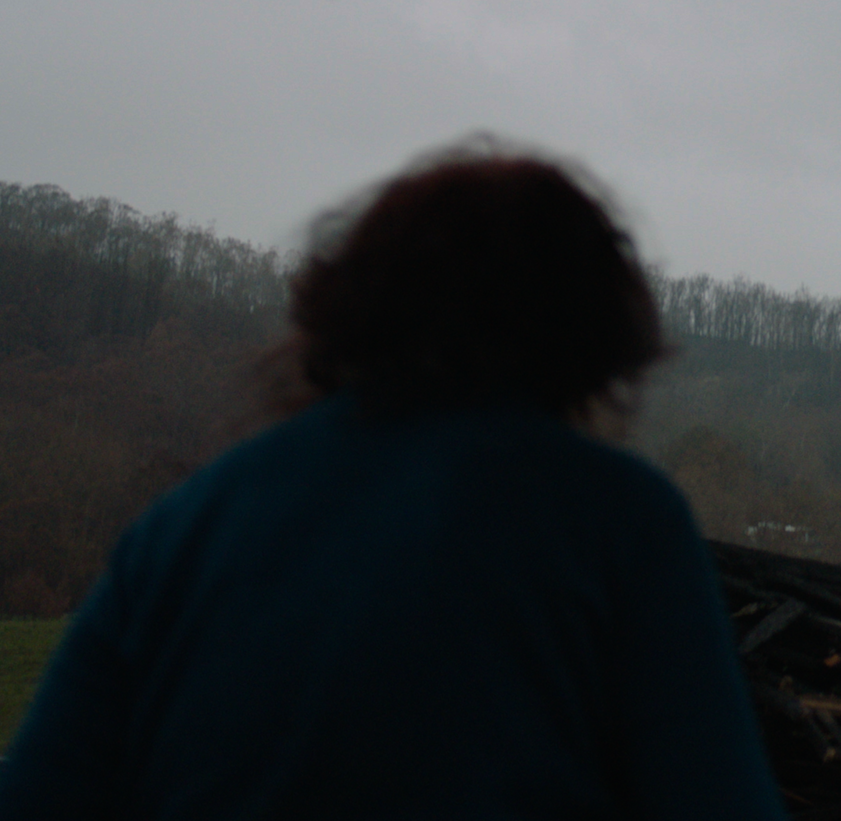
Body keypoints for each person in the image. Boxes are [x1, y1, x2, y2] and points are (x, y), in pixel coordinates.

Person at [0, 144, 784, 820]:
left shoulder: (185, 527)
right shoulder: (623, 521)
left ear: (351, 304)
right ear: (591, 331)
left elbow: (41, 794)